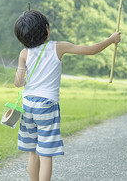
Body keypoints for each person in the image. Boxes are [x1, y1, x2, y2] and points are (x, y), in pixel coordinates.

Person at [13, 10, 121, 181]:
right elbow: (91, 50)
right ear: (47, 30)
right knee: (45, 153)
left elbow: (18, 82)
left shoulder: (24, 53)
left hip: (28, 105)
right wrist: (111, 39)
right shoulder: (59, 47)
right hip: (47, 106)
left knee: (33, 152)